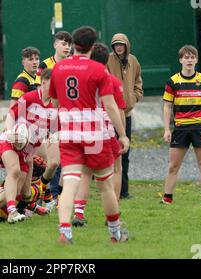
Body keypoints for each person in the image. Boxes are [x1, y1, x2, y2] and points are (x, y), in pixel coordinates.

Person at [49, 26, 130, 244]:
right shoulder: (98, 70)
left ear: (74, 43)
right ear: (93, 46)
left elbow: (55, 103)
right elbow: (111, 106)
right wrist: (122, 135)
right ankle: (115, 233)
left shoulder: (59, 68)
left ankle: (65, 231)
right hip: (95, 136)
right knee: (105, 185)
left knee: (70, 182)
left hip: (69, 134)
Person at [0, 68, 57, 224]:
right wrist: (11, 131)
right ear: (44, 82)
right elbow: (11, 115)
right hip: (10, 141)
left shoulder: (53, 108)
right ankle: (12, 211)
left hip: (26, 152)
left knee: (19, 191)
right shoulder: (31, 97)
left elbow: (48, 132)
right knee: (15, 172)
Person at [161, 45, 201, 205]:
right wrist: (167, 129)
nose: (189, 60)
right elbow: (167, 106)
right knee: (173, 166)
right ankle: (167, 198)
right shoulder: (173, 81)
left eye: (192, 57)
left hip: (199, 127)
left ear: (196, 60)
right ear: (180, 60)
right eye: (186, 57)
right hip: (180, 128)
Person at [71, 42, 127, 227]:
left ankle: (79, 213)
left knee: (86, 172)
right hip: (106, 129)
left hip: (85, 128)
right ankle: (113, 212)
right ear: (107, 59)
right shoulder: (111, 80)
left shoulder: (81, 78)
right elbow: (117, 110)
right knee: (116, 169)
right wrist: (123, 134)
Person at [36, 31, 72, 208]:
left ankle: (60, 195)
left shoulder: (72, 64)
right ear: (55, 45)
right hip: (50, 116)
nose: (66, 47)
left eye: (68, 44)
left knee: (66, 156)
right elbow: (39, 90)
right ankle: (48, 194)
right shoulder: (45, 65)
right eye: (63, 43)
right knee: (50, 157)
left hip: (67, 115)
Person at [107, 33, 143, 200]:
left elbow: (138, 82)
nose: (119, 47)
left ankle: (124, 191)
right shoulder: (107, 60)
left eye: (121, 44)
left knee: (125, 152)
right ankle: (107, 188)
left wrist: (134, 97)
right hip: (111, 113)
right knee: (109, 152)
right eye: (116, 45)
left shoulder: (133, 61)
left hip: (127, 113)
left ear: (127, 45)